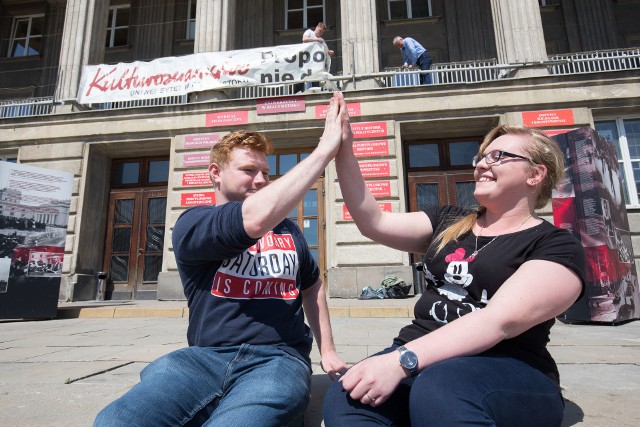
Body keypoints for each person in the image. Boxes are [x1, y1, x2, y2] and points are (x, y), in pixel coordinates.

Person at [94, 92, 349, 427]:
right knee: (116, 420)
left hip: (278, 359)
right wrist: (325, 149)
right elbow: (252, 221)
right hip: (202, 359)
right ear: (216, 173)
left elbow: (312, 284)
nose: (261, 179)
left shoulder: (289, 229)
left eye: (265, 172)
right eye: (248, 170)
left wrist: (327, 350)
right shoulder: (194, 223)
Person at [323, 120, 587, 426]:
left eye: (498, 157)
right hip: (421, 354)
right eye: (482, 157)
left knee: (440, 389)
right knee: (349, 396)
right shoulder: (448, 219)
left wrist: (401, 361)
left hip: (506, 367)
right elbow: (374, 222)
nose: (482, 165)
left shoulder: (556, 245)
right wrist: (343, 150)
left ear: (535, 174)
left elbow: (498, 321)